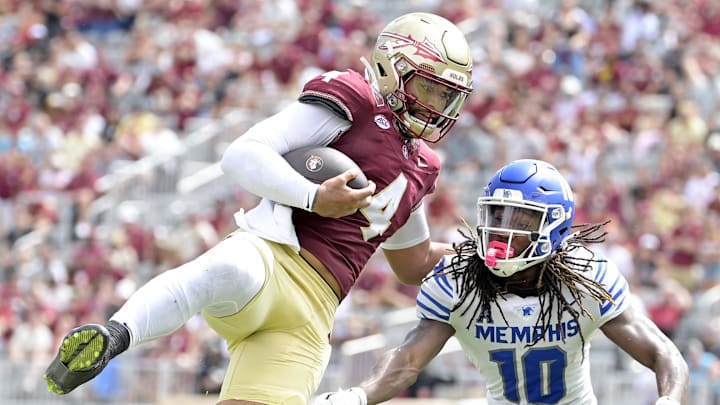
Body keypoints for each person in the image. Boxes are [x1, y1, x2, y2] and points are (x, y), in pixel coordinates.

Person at [42, 12, 473, 405]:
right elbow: (242, 154)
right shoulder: (357, 100)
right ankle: (114, 335)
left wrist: (478, 255)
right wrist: (313, 197)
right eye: (428, 87)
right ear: (390, 69)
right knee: (228, 269)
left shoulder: (422, 166)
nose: (436, 106)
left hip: (309, 317)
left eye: (445, 95)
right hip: (272, 255)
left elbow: (412, 264)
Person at [317, 159, 689, 405]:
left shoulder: (584, 278)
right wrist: (359, 396)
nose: (502, 231)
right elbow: (408, 360)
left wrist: (670, 400)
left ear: (554, 227)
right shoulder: (458, 280)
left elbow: (663, 353)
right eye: (497, 215)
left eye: (520, 221)